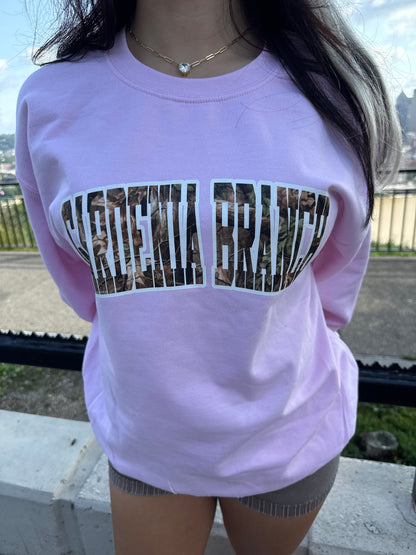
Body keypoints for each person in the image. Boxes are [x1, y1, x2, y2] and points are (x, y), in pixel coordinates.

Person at [15, 1, 401, 553]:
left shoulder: (334, 90)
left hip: (288, 433)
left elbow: (337, 277)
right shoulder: (50, 99)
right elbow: (81, 279)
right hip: (147, 435)